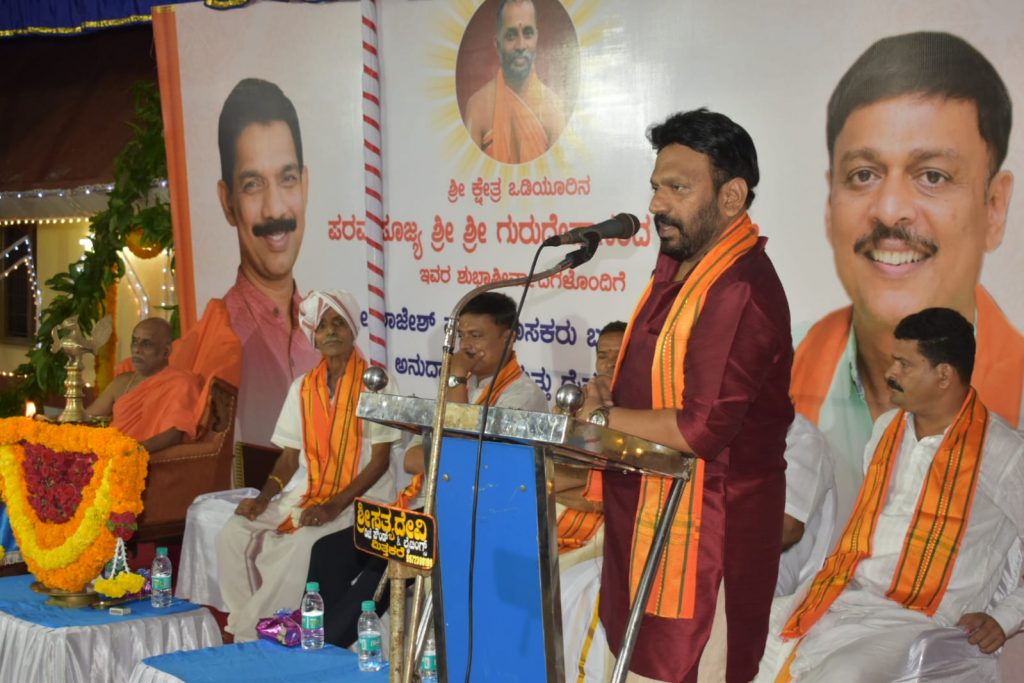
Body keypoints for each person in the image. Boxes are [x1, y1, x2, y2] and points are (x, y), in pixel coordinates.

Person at [577, 108, 794, 682]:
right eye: (656, 187)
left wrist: (605, 417)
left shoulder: (739, 287)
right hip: (648, 521)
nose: (656, 204)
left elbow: (702, 428)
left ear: (731, 197)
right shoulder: (677, 274)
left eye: (677, 188)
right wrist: (612, 397)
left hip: (708, 542)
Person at [790, 31, 1023, 536]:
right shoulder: (772, 367)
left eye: (932, 176)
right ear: (830, 206)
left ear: (994, 207)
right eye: (864, 175)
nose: (890, 209)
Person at [758, 308, 1024, 683]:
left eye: (904, 364)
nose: (890, 373)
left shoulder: (1004, 452)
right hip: (847, 595)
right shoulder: (887, 428)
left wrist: (1006, 617)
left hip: (920, 619)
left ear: (944, 374)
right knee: (743, 638)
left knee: (842, 675)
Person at [306, 289, 547, 647]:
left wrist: (455, 382)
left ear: (509, 338)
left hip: (480, 519)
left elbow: (467, 463)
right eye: (462, 336)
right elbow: (413, 458)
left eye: (476, 336)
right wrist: (454, 411)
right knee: (328, 551)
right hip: (433, 507)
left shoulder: (521, 395)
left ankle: (324, 650)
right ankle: (318, 644)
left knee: (385, 562)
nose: (466, 347)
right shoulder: (461, 384)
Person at [215, 290, 400, 642]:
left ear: (352, 329)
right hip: (308, 492)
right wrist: (263, 499)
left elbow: (379, 462)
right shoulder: (303, 387)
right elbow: (289, 457)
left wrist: (332, 507)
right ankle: (245, 621)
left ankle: (254, 633)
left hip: (361, 500)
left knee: (304, 545)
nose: (331, 332)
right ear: (314, 337)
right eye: (323, 326)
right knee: (233, 532)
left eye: (338, 323)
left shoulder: (376, 383)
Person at [185, 77, 319, 449]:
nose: (275, 209)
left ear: (304, 186)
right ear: (227, 202)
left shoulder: (330, 332)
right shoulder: (220, 341)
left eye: (287, 179)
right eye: (253, 185)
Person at [554, 320, 626, 570]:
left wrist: (576, 486)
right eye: (603, 356)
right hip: (559, 512)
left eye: (619, 355)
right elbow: (544, 476)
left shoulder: (647, 411)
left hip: (611, 529)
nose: (609, 364)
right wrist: (592, 485)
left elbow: (622, 496)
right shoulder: (573, 402)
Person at [463, 0, 565, 163]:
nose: (520, 45)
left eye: (528, 33)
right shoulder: (477, 107)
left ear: (536, 38)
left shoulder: (554, 108)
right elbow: (469, 173)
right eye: (511, 35)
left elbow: (558, 173)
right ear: (497, 44)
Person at [85, 317, 202, 453]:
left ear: (166, 351)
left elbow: (174, 434)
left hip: (147, 458)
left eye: (146, 344)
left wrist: (134, 451)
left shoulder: (181, 383)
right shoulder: (122, 382)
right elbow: (87, 418)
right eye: (134, 341)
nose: (137, 349)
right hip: (110, 454)